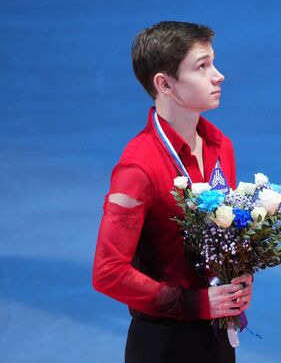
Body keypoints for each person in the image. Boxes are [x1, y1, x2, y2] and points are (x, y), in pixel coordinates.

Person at [92, 21, 253, 363]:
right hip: (163, 345)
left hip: (218, 335)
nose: (218, 75)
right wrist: (192, 304)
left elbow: (227, 229)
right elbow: (108, 272)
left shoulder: (221, 146)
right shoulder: (137, 168)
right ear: (164, 84)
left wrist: (240, 274)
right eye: (202, 66)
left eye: (213, 62)